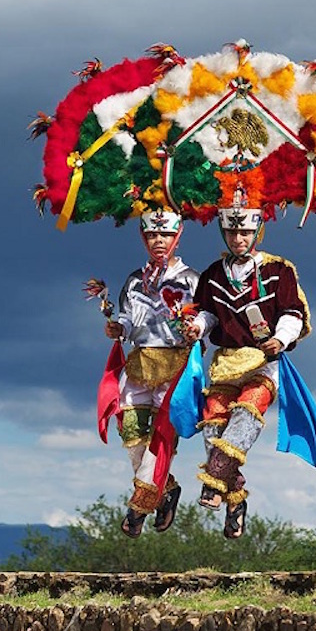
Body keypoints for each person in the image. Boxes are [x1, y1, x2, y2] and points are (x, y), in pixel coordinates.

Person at [185, 190, 310, 539]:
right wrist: (197, 326)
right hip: (224, 363)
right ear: (223, 233)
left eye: (244, 233)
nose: (238, 239)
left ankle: (214, 482)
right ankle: (235, 497)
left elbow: (292, 313)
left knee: (246, 417)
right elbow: (208, 314)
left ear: (257, 232)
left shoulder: (277, 270)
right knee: (212, 427)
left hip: (262, 364)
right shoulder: (212, 274)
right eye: (231, 233)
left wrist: (281, 339)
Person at [105, 208, 199, 538]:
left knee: (161, 437)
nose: (158, 241)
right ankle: (166, 489)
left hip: (175, 363)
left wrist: (194, 328)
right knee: (131, 433)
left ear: (177, 237)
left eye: (165, 235)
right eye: (152, 235)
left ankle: (139, 506)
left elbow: (202, 320)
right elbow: (128, 318)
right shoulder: (134, 280)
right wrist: (119, 326)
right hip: (140, 361)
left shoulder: (191, 280)